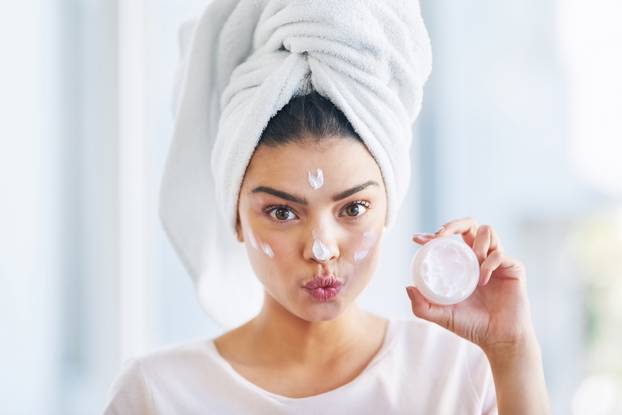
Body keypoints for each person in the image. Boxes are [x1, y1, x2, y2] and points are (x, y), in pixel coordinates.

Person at [104, 1, 550, 413]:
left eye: (353, 209)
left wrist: (512, 351)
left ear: (389, 206)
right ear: (236, 217)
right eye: (282, 212)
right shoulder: (157, 394)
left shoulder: (458, 377)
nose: (321, 249)